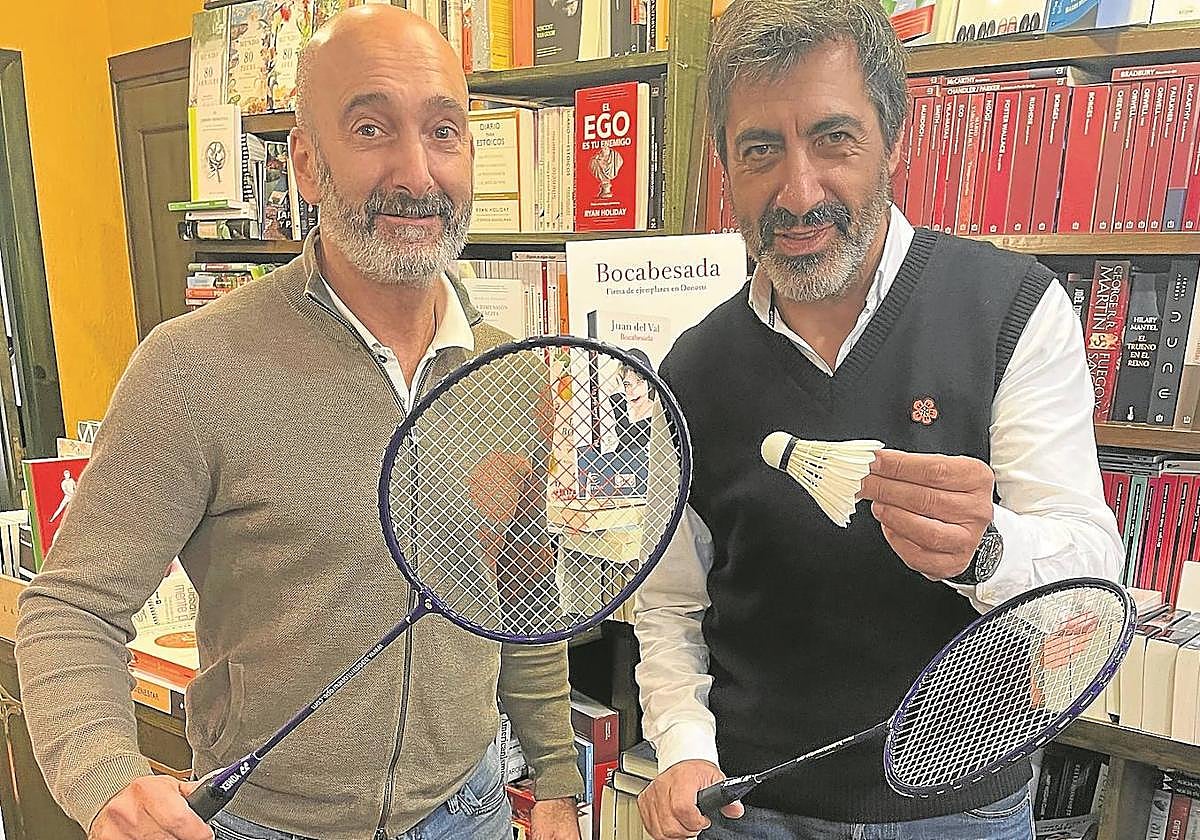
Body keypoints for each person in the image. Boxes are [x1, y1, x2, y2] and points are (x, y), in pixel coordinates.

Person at [15, 7, 584, 840]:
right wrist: (105, 774)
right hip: (262, 823)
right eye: (370, 128)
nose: (417, 173)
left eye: (444, 132)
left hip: (471, 813)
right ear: (308, 166)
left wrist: (561, 784)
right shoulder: (190, 368)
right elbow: (69, 608)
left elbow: (524, 604)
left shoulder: (510, 374)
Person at [631, 1, 1124, 838]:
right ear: (724, 166)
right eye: (760, 149)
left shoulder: (1012, 310)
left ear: (893, 142)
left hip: (961, 810)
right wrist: (682, 746)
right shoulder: (691, 368)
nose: (799, 191)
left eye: (834, 139)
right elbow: (670, 605)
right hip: (753, 808)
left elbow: (1093, 583)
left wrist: (988, 547)